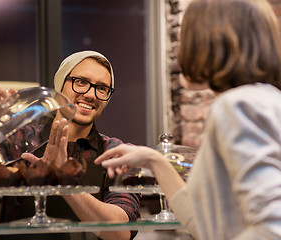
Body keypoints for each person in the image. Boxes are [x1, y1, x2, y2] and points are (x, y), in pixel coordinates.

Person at [95, 0, 281, 239]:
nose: (179, 50)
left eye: (187, 36)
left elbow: (273, 225)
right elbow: (201, 224)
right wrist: (155, 160)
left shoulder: (237, 105)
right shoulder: (265, 100)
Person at [0, 50, 141, 240]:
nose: (90, 94)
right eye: (80, 82)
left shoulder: (116, 153)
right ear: (61, 84)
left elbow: (120, 232)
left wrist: (67, 183)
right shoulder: (20, 139)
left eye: (102, 88)